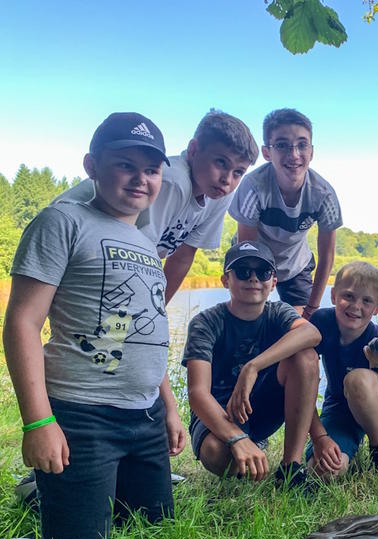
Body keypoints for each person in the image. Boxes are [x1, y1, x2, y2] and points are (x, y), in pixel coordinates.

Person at [1, 112, 185, 539]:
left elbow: (137, 331)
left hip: (144, 419)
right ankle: (52, 502)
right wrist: (38, 422)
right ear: (92, 165)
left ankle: (60, 493)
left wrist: (169, 408)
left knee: (152, 536)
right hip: (82, 416)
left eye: (151, 169)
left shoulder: (145, 243)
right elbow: (22, 322)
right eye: (125, 165)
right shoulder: (63, 221)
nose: (140, 179)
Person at [54, 109, 259, 304]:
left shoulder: (219, 195)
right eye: (221, 162)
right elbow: (134, 255)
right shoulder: (173, 182)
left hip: (108, 256)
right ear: (194, 150)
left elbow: (182, 257)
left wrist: (157, 310)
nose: (227, 179)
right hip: (68, 242)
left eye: (238, 172)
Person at [183, 240, 321, 488]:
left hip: (262, 407)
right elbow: (197, 393)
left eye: (263, 272)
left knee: (306, 356)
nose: (253, 278)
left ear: (273, 282)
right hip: (219, 412)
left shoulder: (278, 312)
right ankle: (245, 442)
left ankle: (291, 469)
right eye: (243, 271)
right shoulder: (205, 322)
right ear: (225, 280)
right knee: (218, 454)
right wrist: (236, 438)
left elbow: (311, 333)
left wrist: (252, 367)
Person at [229, 108, 342, 320]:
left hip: (296, 264)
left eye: (302, 145)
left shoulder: (324, 195)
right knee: (250, 319)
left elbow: (327, 257)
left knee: (301, 328)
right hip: (253, 258)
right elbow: (248, 249)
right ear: (267, 153)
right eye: (282, 145)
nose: (294, 155)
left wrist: (311, 309)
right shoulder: (253, 187)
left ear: (311, 152)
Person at [304, 261, 378, 480]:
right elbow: (299, 379)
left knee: (357, 381)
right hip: (340, 405)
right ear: (333, 296)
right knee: (323, 472)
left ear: (377, 307)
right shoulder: (321, 322)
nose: (355, 306)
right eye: (348, 296)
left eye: (366, 300)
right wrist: (320, 437)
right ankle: (347, 438)